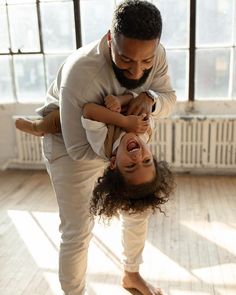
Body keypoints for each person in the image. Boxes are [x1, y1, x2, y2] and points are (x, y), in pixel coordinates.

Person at [23, 1, 176, 294]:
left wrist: (151, 98)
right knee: (78, 230)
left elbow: (168, 98)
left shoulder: (156, 55)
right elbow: (79, 148)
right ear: (110, 39)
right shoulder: (80, 74)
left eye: (146, 61)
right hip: (70, 142)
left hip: (114, 136)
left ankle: (132, 275)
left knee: (137, 202)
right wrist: (123, 134)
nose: (137, 70)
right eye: (126, 60)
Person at [15, 96, 175, 221]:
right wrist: (121, 100)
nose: (137, 157)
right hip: (114, 104)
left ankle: (36, 128)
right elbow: (135, 99)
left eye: (131, 166)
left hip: (68, 123)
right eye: (147, 161)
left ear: (113, 163)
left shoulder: (102, 143)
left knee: (56, 120)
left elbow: (89, 110)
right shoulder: (146, 130)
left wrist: (124, 121)